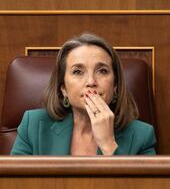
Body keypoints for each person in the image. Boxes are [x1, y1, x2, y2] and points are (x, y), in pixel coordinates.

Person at [11, 33, 156, 155]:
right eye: (78, 72)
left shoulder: (142, 136)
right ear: (63, 89)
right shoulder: (33, 125)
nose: (91, 81)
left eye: (102, 71)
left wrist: (108, 145)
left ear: (115, 87)